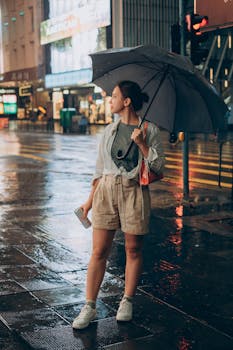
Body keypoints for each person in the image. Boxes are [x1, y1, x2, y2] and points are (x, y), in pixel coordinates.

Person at [72, 80, 165, 330]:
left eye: (113, 96)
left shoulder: (150, 130)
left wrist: (143, 144)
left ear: (127, 101)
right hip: (106, 191)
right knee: (98, 251)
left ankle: (127, 301)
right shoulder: (109, 131)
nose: (110, 101)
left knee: (133, 249)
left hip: (134, 191)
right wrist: (89, 203)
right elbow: (99, 171)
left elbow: (159, 168)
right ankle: (89, 306)